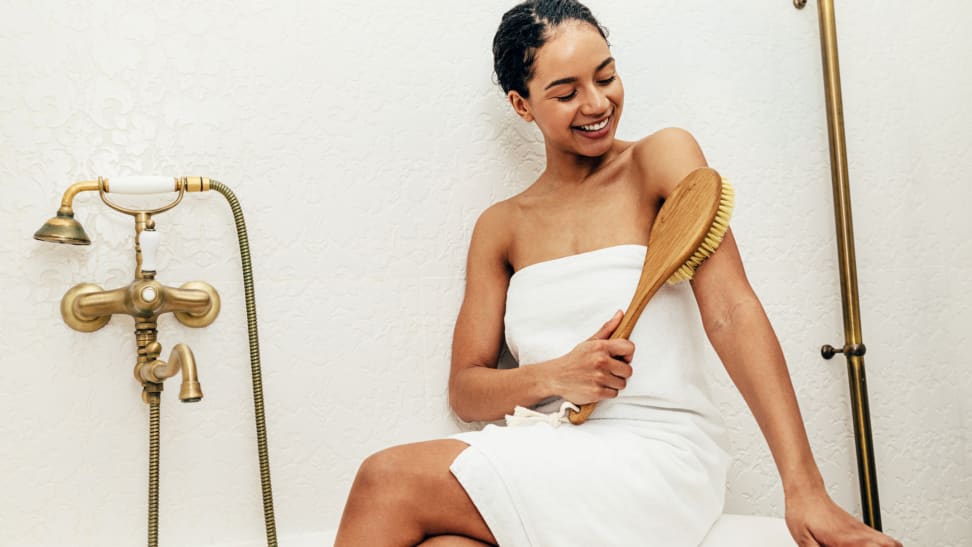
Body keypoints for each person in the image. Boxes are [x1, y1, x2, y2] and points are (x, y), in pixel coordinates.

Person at [335, 1, 903, 545]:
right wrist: (557, 376)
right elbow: (467, 390)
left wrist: (804, 488)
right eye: (566, 92)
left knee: (386, 480)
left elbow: (732, 310)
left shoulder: (660, 159)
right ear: (521, 104)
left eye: (605, 77)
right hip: (553, 446)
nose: (596, 103)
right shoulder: (500, 227)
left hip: (660, 454)